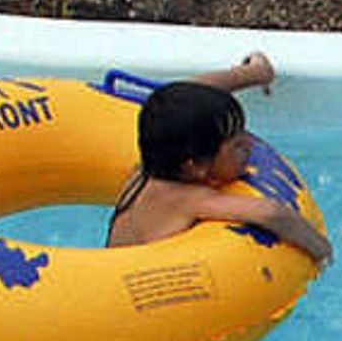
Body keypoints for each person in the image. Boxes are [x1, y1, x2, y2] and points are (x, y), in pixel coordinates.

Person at [103, 53, 329, 266]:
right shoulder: (186, 199)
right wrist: (322, 253)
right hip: (133, 294)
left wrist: (254, 73)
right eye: (237, 145)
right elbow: (272, 213)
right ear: (195, 166)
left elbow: (189, 93)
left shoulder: (148, 167)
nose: (250, 144)